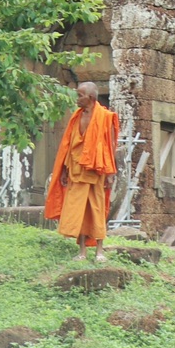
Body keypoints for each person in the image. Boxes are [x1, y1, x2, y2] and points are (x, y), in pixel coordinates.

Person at [43, 81, 119, 261]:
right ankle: (82, 252)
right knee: (79, 211)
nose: (76, 99)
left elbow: (111, 146)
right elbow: (68, 146)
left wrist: (110, 173)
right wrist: (63, 171)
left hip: (96, 171)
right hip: (76, 170)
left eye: (80, 95)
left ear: (90, 98)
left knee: (96, 209)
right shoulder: (75, 118)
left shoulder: (106, 117)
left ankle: (100, 250)